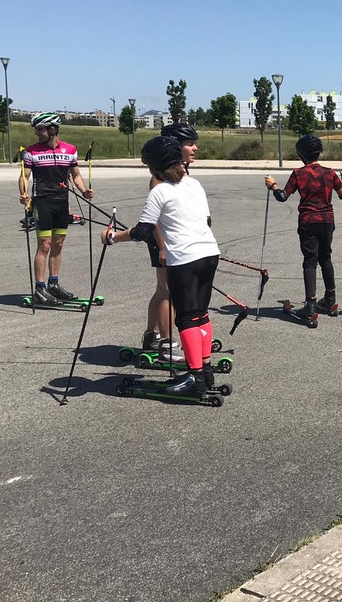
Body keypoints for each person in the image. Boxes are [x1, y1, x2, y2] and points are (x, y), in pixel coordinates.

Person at [103, 136, 219, 397]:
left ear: (155, 167)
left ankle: (194, 378)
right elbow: (207, 219)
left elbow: (143, 231)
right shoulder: (195, 184)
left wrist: (112, 237)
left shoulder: (160, 190)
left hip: (184, 260)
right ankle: (206, 370)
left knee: (186, 318)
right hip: (210, 253)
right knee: (201, 314)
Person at [265, 134, 342, 323]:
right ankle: (330, 299)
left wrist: (273, 186)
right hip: (327, 220)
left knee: (310, 261)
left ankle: (310, 305)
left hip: (308, 221)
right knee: (326, 257)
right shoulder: (330, 173)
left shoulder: (298, 174)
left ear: (301, 155)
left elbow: (282, 196)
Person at [18, 113, 94, 305]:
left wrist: (84, 191)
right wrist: (24, 193)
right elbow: (24, 176)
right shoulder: (31, 152)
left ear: (52, 130)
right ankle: (40, 289)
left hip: (61, 201)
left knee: (58, 244)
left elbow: (75, 175)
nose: (36, 133)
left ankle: (54, 284)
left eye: (40, 129)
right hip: (42, 201)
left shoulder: (70, 150)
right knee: (44, 245)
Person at [140, 122, 201, 361]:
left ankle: (150, 334)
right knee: (168, 291)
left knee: (162, 289)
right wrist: (163, 246)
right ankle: (166, 344)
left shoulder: (180, 172)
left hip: (175, 239)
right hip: (163, 240)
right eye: (189, 144)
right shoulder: (159, 178)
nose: (195, 149)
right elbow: (153, 219)